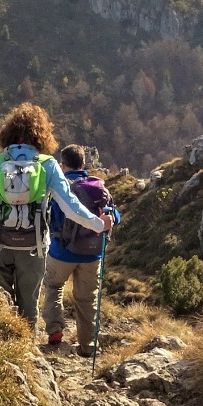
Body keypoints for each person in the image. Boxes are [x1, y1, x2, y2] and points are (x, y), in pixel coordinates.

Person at [0, 104, 112, 331]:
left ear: (7, 134)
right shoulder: (49, 165)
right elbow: (71, 208)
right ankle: (25, 355)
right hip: (34, 248)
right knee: (29, 308)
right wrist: (98, 225)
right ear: (42, 136)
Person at [42, 145, 121, 358]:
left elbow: (53, 217)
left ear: (62, 165)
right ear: (84, 165)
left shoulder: (62, 187)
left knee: (54, 287)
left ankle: (55, 330)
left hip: (61, 253)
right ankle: (88, 346)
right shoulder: (99, 187)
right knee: (87, 300)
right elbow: (115, 216)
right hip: (93, 255)